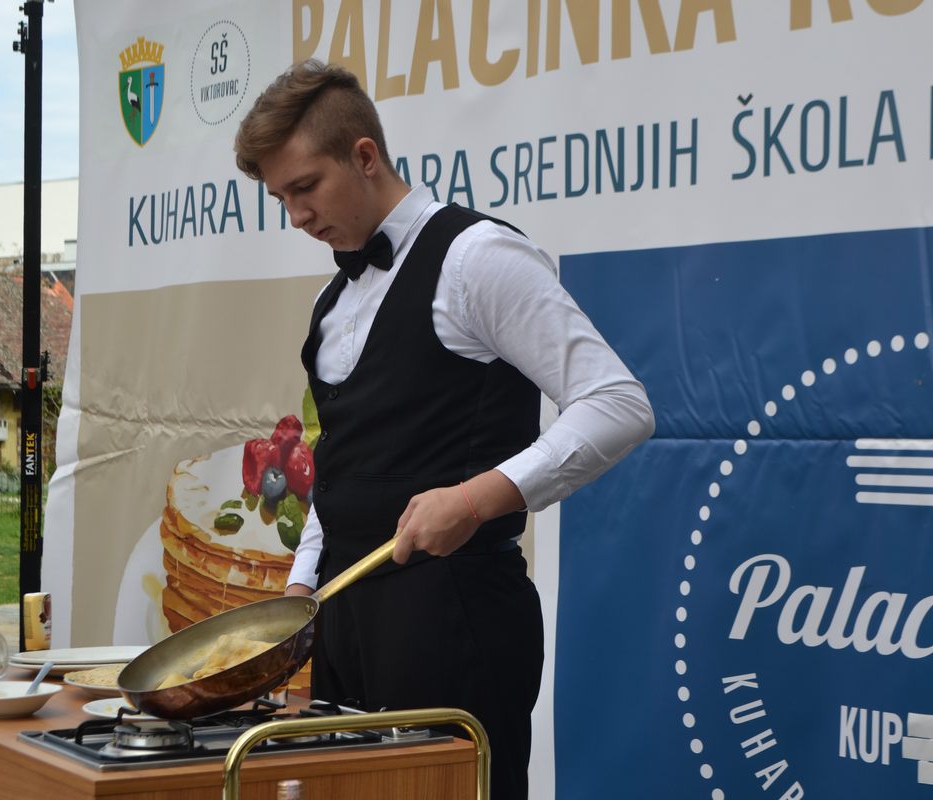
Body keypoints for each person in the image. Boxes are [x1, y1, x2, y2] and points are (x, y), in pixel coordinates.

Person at [234, 60, 654, 800]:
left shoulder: (478, 258)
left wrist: (473, 499)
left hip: (456, 619)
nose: (295, 216)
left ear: (365, 156)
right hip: (344, 619)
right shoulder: (333, 301)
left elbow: (618, 403)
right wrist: (301, 586)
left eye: (305, 187)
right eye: (280, 198)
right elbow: (345, 464)